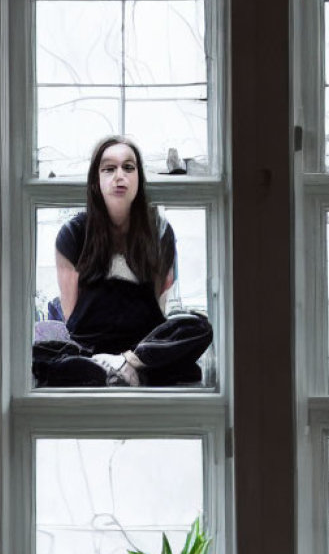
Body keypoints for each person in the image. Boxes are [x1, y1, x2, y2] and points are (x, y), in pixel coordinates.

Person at [33, 136, 213, 387]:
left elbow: (160, 306)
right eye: (109, 169)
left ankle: (126, 367)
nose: (120, 176)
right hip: (88, 350)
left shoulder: (159, 232)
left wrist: (132, 357)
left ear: (139, 177)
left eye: (129, 168)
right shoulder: (73, 233)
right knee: (37, 354)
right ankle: (108, 369)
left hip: (144, 349)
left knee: (199, 327)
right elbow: (70, 313)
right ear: (96, 181)